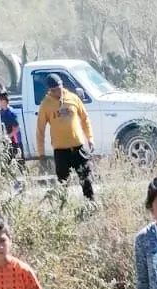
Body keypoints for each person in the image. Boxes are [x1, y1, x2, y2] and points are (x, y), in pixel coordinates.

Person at [35, 73, 95, 201]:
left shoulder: (73, 98)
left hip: (78, 148)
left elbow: (85, 119)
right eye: (55, 90)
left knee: (86, 180)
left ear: (62, 85)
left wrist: (90, 138)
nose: (58, 91)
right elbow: (40, 129)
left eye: (59, 87)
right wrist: (41, 153)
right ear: (50, 90)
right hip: (61, 151)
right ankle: (64, 211)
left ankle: (91, 207)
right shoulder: (46, 104)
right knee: (63, 184)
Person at [0, 91, 23, 164]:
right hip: (8, 142)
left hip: (15, 142)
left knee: (18, 163)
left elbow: (17, 128)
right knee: (8, 162)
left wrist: (8, 136)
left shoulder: (10, 113)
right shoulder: (2, 111)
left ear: (3, 102)